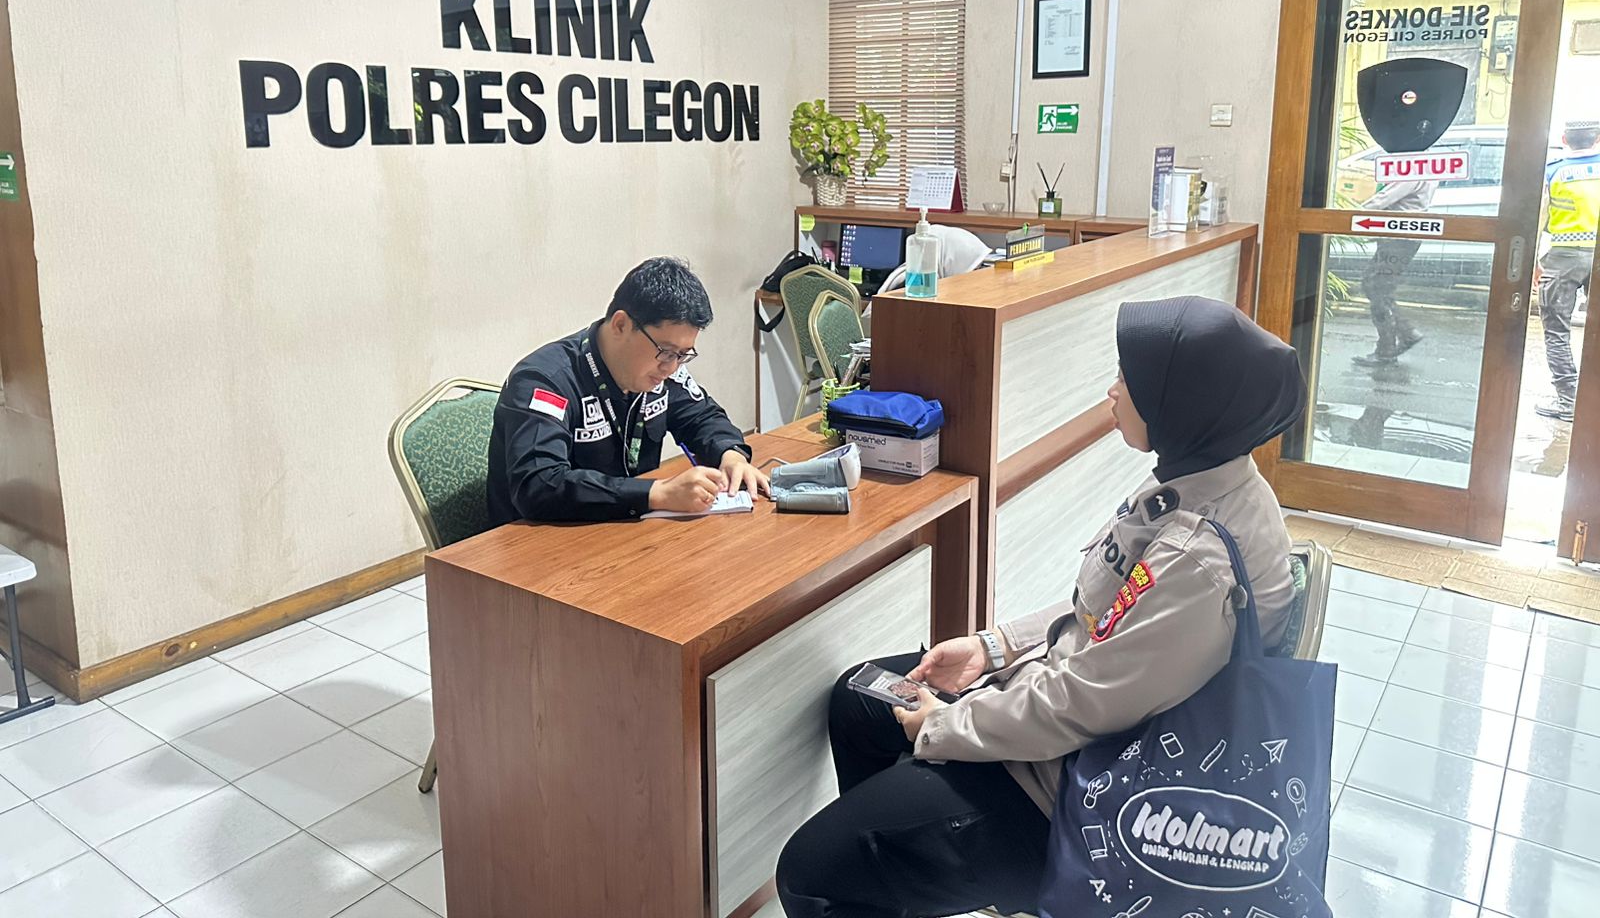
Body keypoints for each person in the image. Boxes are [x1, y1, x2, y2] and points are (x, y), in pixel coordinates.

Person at [775, 296, 1305, 918]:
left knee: (809, 873)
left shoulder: (1199, 560)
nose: (1112, 391)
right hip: (1059, 717)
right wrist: (992, 648)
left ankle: (899, 858)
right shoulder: (1202, 474)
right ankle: (902, 869)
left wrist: (945, 727)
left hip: (1069, 794)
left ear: (1182, 402)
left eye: (1129, 380)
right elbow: (1105, 611)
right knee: (859, 698)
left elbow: (1081, 705)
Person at [486, 257, 768, 524]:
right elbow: (540, 484)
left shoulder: (661, 370)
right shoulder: (545, 380)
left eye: (683, 355)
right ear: (621, 325)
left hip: (624, 529)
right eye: (666, 351)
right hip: (538, 544)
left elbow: (702, 417)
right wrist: (655, 494)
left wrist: (730, 455)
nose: (671, 367)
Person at [1537, 117, 1600, 421]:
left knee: (1556, 329)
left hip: (1563, 257)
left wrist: (1534, 262)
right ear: (1597, 140)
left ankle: (1569, 401)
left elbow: (1539, 218)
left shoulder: (1553, 171)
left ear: (1564, 139)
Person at [1353, 177, 1437, 367]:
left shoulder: (1415, 170)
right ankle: (1404, 334)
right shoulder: (1421, 170)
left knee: (1376, 287)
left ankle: (1388, 348)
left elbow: (1385, 198)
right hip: (1401, 236)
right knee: (1376, 287)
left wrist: (1351, 214)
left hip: (1400, 237)